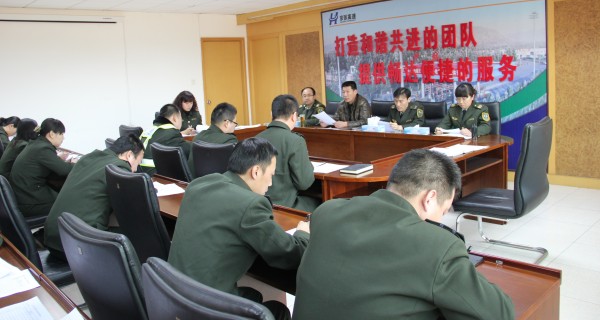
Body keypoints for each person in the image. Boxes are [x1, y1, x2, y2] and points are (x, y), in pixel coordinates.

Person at [293, 149, 514, 320]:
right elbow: (499, 313)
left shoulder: (328, 211)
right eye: (444, 210)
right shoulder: (437, 247)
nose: (442, 218)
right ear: (429, 198)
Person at [168, 138, 310, 320]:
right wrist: (302, 233)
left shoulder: (198, 185)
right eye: (271, 175)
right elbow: (289, 253)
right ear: (256, 171)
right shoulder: (251, 205)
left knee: (253, 294)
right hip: (206, 308)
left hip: (173, 295)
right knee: (277, 310)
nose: (270, 183)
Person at [44, 134, 145, 260]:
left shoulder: (89, 157)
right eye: (137, 163)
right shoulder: (119, 167)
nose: (135, 170)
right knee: (140, 235)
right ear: (129, 155)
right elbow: (130, 206)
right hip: (78, 245)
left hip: (53, 237)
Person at [257, 95, 318, 211]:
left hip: (260, 204)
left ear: (271, 114)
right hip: (287, 206)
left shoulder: (255, 139)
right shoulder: (295, 140)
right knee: (322, 202)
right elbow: (304, 183)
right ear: (294, 116)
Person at [10, 118, 74, 217]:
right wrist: (81, 163)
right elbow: (64, 170)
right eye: (61, 134)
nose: (63, 138)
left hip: (21, 194)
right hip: (28, 201)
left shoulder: (36, 143)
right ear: (51, 134)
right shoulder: (43, 148)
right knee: (68, 201)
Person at [188, 102, 238, 175]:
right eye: (235, 123)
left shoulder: (197, 137)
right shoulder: (229, 141)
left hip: (195, 181)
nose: (235, 126)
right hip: (220, 181)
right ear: (227, 123)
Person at [140, 104, 191, 175]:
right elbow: (187, 150)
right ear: (174, 118)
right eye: (180, 118)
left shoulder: (150, 129)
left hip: (140, 172)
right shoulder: (171, 132)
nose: (181, 121)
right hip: (156, 174)